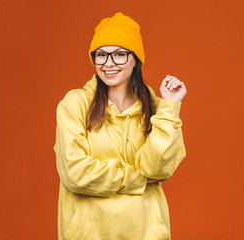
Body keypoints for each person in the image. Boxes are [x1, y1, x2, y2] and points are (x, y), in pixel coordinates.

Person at [54, 12, 187, 240]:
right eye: (101, 55)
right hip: (89, 235)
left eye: (119, 54)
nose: (109, 63)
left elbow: (158, 170)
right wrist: (138, 176)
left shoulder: (157, 108)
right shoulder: (75, 103)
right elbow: (75, 174)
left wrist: (170, 106)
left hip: (147, 233)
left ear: (136, 59)